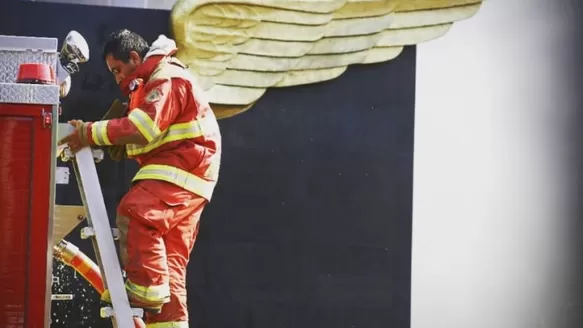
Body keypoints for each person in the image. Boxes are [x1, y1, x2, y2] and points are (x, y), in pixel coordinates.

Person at [58, 29, 221, 327]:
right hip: (191, 174)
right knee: (169, 267)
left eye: (118, 70)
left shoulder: (165, 77)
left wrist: (88, 133)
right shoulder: (151, 81)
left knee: (136, 212)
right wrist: (103, 135)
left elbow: (143, 127)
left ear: (135, 57)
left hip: (182, 168)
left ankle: (144, 292)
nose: (117, 79)